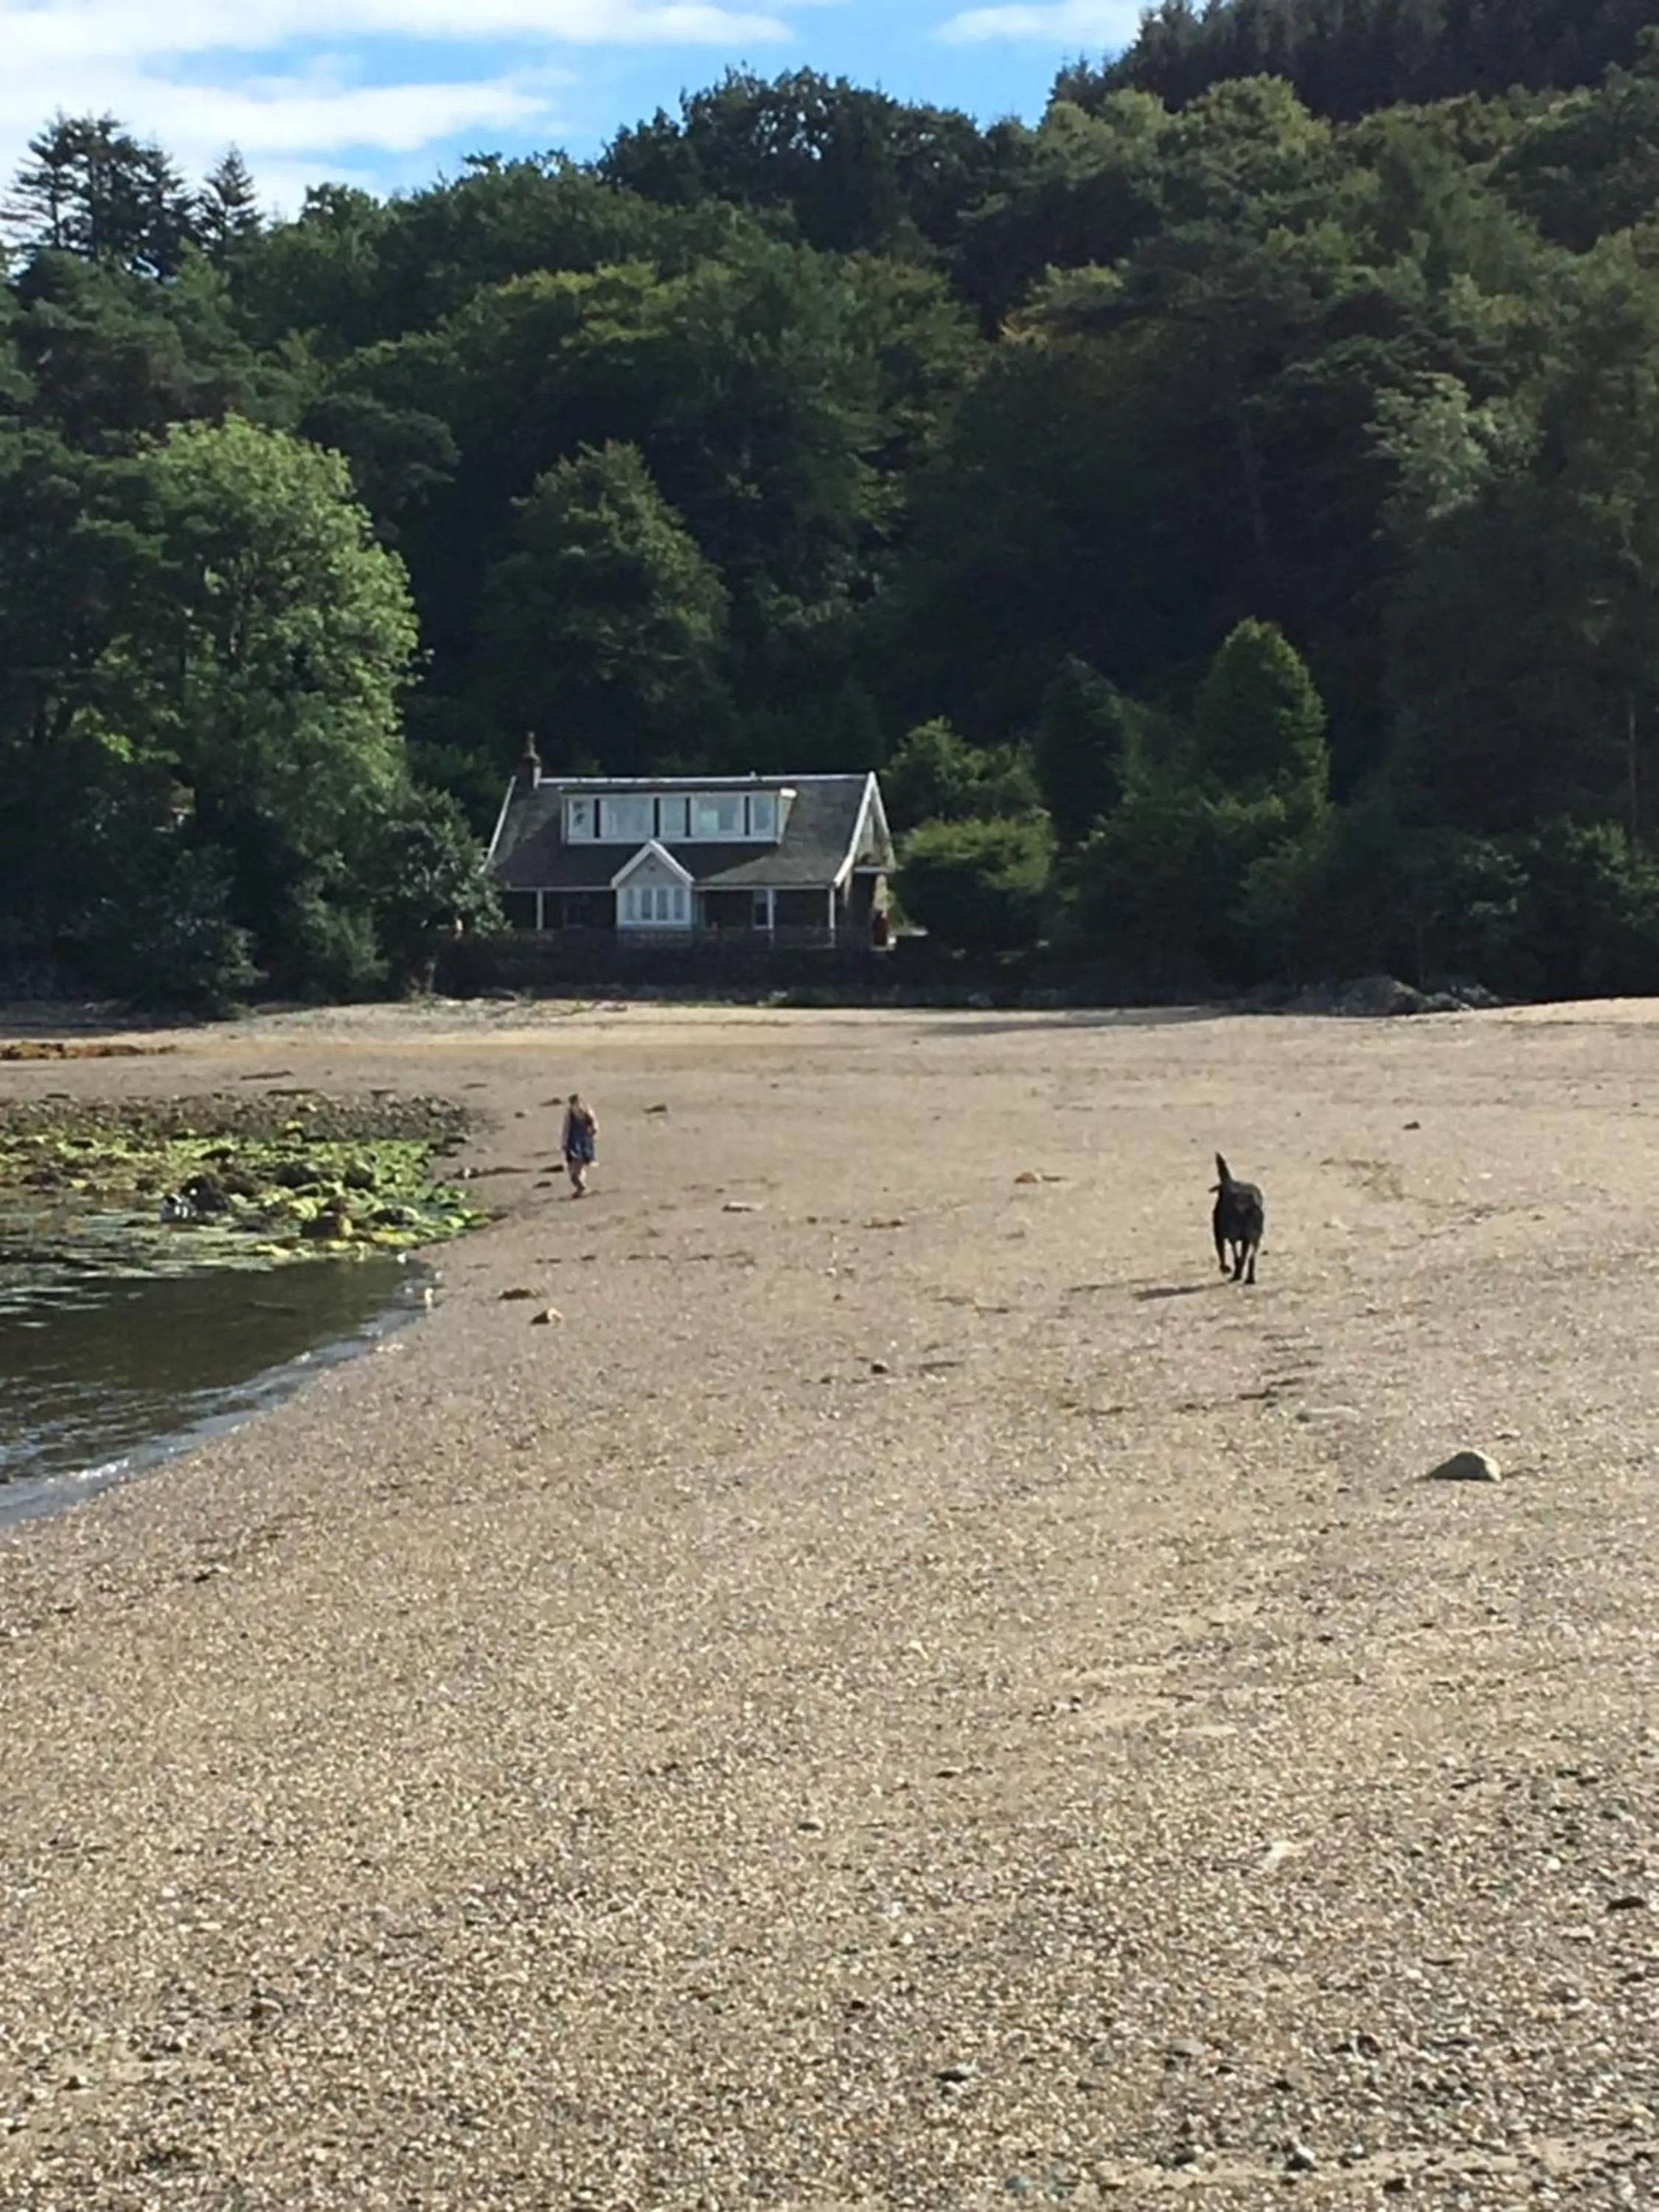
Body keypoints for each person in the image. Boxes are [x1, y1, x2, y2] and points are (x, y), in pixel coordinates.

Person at [561, 1092, 598, 1197]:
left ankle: (582, 1187)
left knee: (578, 1166)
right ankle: (581, 1187)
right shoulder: (570, 1115)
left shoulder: (587, 1113)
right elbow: (566, 1129)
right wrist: (564, 1143)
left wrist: (594, 1132)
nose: (577, 1105)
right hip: (573, 1142)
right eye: (575, 1103)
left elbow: (594, 1125)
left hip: (584, 1142)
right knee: (572, 1168)